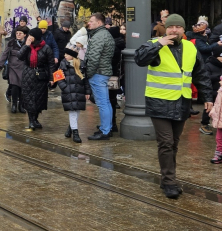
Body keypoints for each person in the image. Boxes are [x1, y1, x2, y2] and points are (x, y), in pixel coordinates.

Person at [134, 14, 213, 199]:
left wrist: (208, 97)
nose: (174, 30)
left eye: (178, 27)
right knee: (166, 142)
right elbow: (139, 59)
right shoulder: (154, 44)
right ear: (165, 28)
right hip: (159, 102)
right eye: (171, 27)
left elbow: (200, 74)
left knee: (174, 144)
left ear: (183, 30)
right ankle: (169, 182)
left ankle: (166, 178)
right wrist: (158, 43)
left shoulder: (190, 48)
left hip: (181, 102)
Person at [84, 13, 117, 140]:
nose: (89, 23)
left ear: (99, 23)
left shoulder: (99, 36)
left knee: (102, 103)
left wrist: (89, 73)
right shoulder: (104, 34)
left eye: (91, 21)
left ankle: (105, 131)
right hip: (103, 72)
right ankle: (106, 127)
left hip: (98, 73)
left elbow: (93, 58)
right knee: (106, 102)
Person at [18, 28, 56, 131]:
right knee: (29, 98)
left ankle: (35, 119)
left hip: (41, 76)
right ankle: (31, 121)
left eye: (32, 35)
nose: (29, 37)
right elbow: (19, 56)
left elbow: (51, 64)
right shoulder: (27, 46)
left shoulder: (46, 48)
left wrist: (52, 78)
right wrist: (26, 45)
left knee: (39, 99)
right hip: (28, 75)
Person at [56, 47, 87, 143]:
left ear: (72, 56)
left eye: (67, 54)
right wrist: (65, 87)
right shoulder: (63, 64)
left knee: (77, 110)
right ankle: (75, 133)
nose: (64, 55)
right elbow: (58, 77)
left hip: (79, 91)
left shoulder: (81, 64)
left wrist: (88, 91)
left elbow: (86, 79)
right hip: (68, 92)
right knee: (73, 112)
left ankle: (71, 128)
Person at [0, 26, 28, 114]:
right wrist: (0, 65)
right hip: (13, 67)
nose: (18, 35)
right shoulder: (11, 43)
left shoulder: (27, 43)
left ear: (24, 35)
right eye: (17, 33)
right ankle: (14, 105)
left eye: (20, 33)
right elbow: (5, 54)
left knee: (22, 87)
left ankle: (21, 105)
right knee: (14, 86)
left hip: (23, 67)